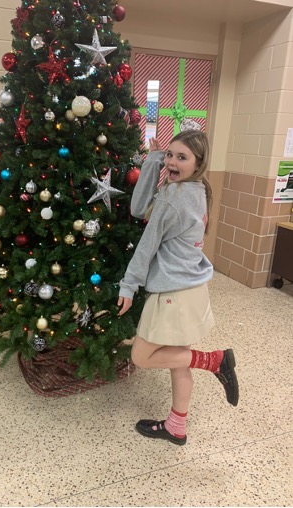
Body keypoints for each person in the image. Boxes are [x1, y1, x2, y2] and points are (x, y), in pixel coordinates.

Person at [117, 130, 238, 446]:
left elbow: (144, 234)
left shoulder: (173, 196)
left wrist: (129, 286)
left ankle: (213, 361)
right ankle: (176, 426)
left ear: (198, 162)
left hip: (173, 293)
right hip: (192, 288)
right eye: (169, 154)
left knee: (142, 356)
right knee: (176, 359)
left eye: (181, 157)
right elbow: (143, 209)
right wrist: (158, 161)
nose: (171, 160)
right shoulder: (199, 189)